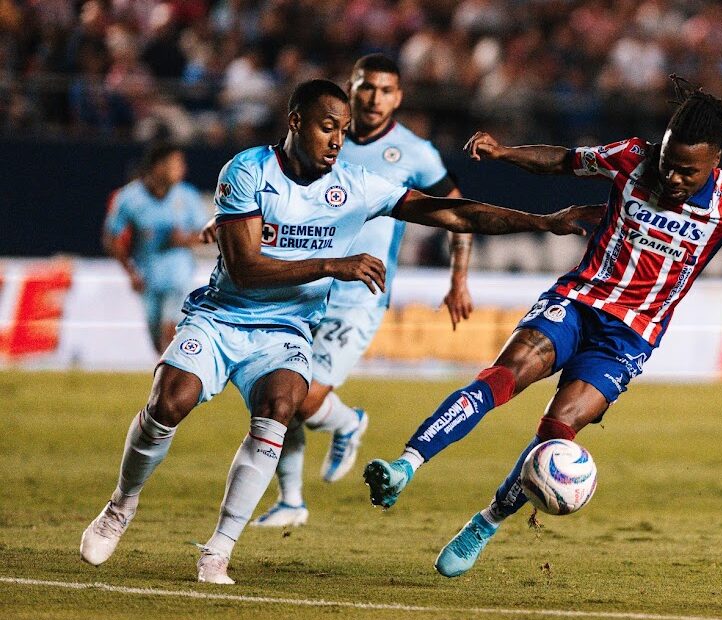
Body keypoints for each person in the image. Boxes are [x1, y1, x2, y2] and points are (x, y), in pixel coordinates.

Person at [363, 76, 722, 578]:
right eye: (670, 162)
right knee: (505, 375)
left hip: (630, 337)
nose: (675, 177)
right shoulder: (633, 157)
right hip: (580, 300)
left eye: (690, 170)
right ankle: (405, 465)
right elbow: (563, 160)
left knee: (557, 434)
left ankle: (485, 523)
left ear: (715, 161)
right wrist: (506, 152)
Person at [79, 78, 598, 585]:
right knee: (171, 400)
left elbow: (453, 213)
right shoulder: (247, 172)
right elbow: (244, 269)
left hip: (286, 328)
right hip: (223, 316)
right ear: (296, 122)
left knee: (281, 406)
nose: (337, 140)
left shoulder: (353, 186)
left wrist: (542, 221)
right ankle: (120, 507)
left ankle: (218, 551)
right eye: (327, 126)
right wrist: (333, 264)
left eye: (344, 130)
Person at [248, 54, 474, 528]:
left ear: (399, 97)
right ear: (351, 87)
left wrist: (458, 279)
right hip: (305, 283)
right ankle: (291, 501)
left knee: (307, 400)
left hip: (361, 292)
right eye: (366, 87)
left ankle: (348, 422)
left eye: (385, 90)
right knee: (278, 394)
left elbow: (459, 213)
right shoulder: (324, 135)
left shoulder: (416, 153)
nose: (374, 98)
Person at [103, 142, 209, 354]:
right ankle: (168, 381)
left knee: (170, 331)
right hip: (148, 277)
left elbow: (208, 233)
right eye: (176, 164)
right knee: (157, 340)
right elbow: (111, 237)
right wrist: (130, 272)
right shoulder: (129, 198)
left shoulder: (187, 196)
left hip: (179, 275)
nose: (182, 170)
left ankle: (175, 382)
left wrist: (185, 239)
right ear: (159, 167)